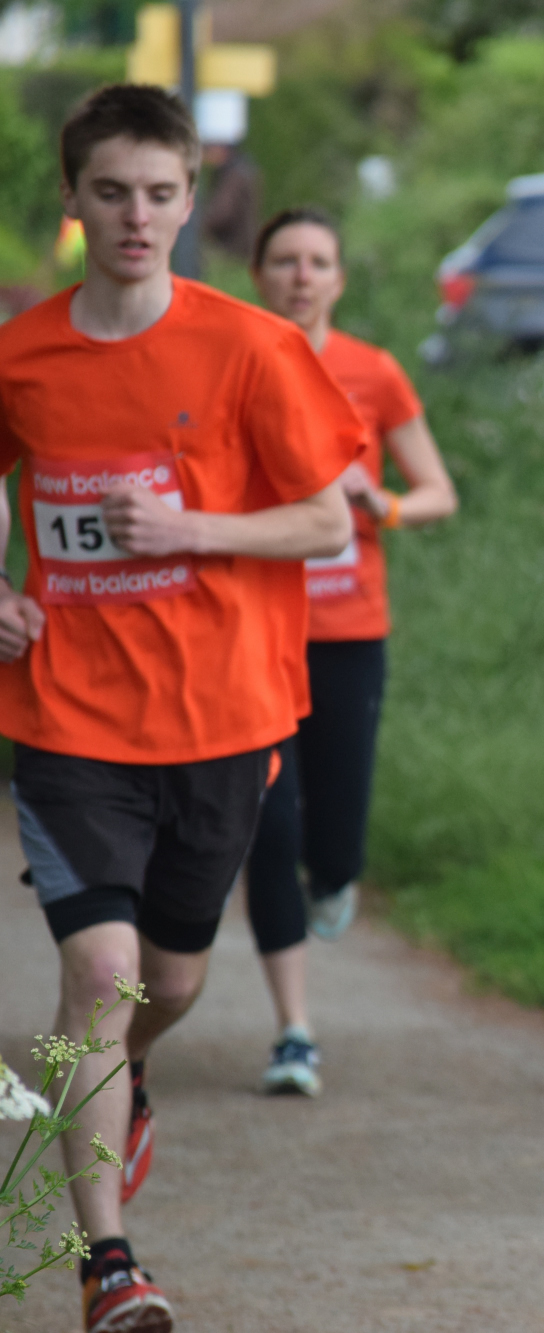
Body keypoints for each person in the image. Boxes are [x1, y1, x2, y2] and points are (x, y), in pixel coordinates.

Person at [0, 85, 361, 1333]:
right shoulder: (20, 355)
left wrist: (190, 528)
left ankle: (125, 1074)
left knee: (171, 978)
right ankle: (108, 1263)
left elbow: (326, 518)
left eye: (159, 194)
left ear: (191, 201)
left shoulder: (251, 347)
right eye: (111, 192)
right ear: (73, 198)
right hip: (66, 717)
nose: (135, 217)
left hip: (223, 717)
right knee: (99, 974)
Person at [242, 206, 458, 1097]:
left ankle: (335, 879)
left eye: (317, 261)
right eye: (285, 260)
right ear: (258, 275)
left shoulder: (374, 371)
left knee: (334, 840)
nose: (301, 275)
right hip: (253, 633)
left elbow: (439, 490)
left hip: (348, 632)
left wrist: (384, 505)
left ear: (337, 279)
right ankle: (293, 1029)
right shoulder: (233, 360)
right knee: (271, 826)